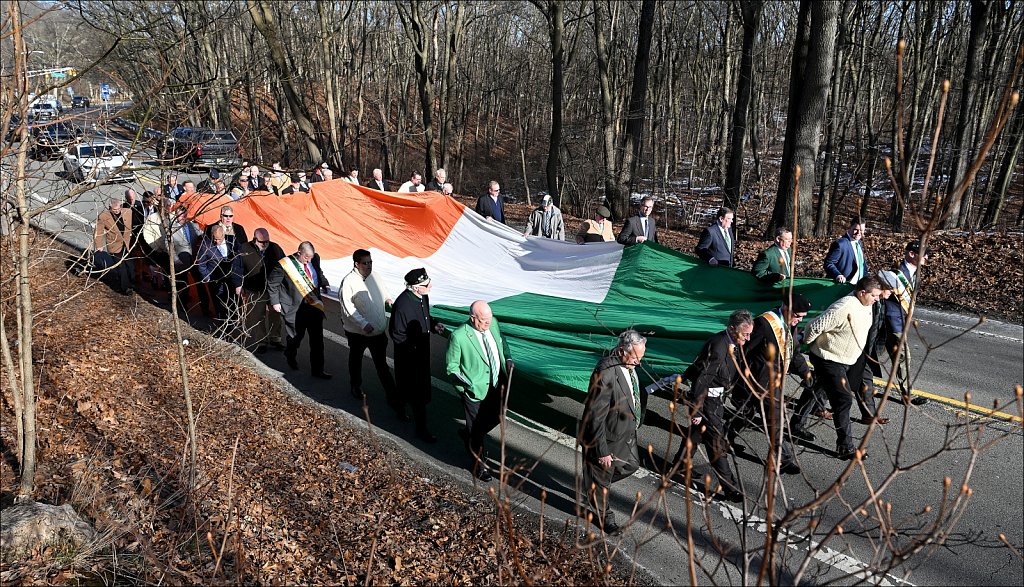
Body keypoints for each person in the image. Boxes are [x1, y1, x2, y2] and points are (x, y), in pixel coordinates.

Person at [725, 295, 813, 475]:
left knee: (746, 415)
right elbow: (744, 350)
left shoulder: (791, 325)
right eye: (797, 315)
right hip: (756, 380)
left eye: (802, 316)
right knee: (775, 419)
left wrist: (805, 371)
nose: (799, 319)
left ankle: (723, 438)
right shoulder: (765, 324)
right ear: (785, 307)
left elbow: (793, 352)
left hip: (774, 382)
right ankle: (782, 459)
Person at [801, 276, 883, 460]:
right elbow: (814, 325)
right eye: (875, 296)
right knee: (843, 399)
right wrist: (806, 344)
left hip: (849, 358)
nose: (877, 299)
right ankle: (845, 446)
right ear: (862, 293)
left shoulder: (868, 305)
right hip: (828, 357)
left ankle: (796, 425)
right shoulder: (844, 306)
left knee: (817, 388)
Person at [676, 310, 751, 503]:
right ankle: (731, 488)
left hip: (715, 399)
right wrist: (697, 409)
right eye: (745, 334)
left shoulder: (731, 343)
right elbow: (702, 379)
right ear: (732, 329)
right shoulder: (718, 347)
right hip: (707, 401)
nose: (748, 338)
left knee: (695, 435)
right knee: (717, 445)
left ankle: (679, 467)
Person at [578, 329, 646, 536]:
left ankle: (594, 487)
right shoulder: (606, 373)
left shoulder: (629, 364)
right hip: (605, 439)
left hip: (625, 434)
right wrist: (601, 451)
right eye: (635, 358)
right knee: (601, 481)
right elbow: (595, 415)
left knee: (631, 465)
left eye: (640, 358)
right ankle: (604, 517)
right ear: (620, 351)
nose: (638, 363)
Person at [446, 300, 513, 482]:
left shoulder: (493, 323)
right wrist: (467, 387)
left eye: (490, 319)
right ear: (472, 317)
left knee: (497, 417)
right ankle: (479, 465)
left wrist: (507, 357)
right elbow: (452, 368)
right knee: (476, 431)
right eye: (483, 320)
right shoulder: (459, 336)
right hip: (475, 392)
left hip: (496, 385)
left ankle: (469, 436)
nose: (488, 324)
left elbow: (502, 341)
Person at [389, 268, 446, 442]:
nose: (430, 286)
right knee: (418, 395)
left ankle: (399, 407)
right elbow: (397, 333)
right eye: (426, 284)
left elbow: (425, 316)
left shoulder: (423, 296)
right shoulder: (402, 304)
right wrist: (412, 352)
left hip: (421, 353)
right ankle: (421, 430)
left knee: (407, 389)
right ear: (415, 287)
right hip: (410, 358)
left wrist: (434, 325)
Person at [339, 249, 398, 403]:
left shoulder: (375, 276)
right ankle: (355, 385)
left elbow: (382, 292)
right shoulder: (349, 281)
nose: (369, 266)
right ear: (356, 264)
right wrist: (363, 323)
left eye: (370, 262)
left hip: (378, 332)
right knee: (356, 359)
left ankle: (392, 394)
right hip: (358, 333)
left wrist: (388, 300)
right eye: (365, 263)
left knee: (381, 364)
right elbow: (347, 307)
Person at [270, 241, 332, 379]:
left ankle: (318, 370)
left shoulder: (314, 258)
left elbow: (318, 272)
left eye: (310, 257)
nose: (309, 260)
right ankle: (290, 353)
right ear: (299, 253)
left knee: (317, 341)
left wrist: (324, 282)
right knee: (296, 337)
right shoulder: (285, 264)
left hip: (314, 306)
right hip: (295, 307)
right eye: (306, 257)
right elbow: (273, 283)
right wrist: (275, 302)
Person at [882, 242, 930, 406]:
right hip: (891, 321)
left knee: (862, 358)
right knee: (903, 356)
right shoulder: (896, 274)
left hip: (901, 321)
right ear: (911, 254)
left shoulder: (915, 273)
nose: (926, 257)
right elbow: (882, 298)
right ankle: (906, 394)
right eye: (923, 253)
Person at [850, 272, 897, 425]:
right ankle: (808, 410)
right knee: (828, 382)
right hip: (852, 347)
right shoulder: (864, 300)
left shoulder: (880, 301)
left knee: (866, 381)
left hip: (866, 350)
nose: (892, 293)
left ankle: (869, 415)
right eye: (889, 289)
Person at [232, 228, 286, 353]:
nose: (265, 244)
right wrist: (238, 284)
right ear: (254, 239)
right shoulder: (244, 249)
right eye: (262, 242)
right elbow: (237, 268)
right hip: (254, 288)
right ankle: (261, 341)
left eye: (267, 241)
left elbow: (284, 264)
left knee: (275, 313)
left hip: (273, 289)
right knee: (258, 315)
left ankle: (275, 338)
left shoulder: (275, 248)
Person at [196, 224, 239, 332]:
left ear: (224, 235)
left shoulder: (232, 241)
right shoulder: (205, 245)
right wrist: (208, 277)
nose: (216, 241)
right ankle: (224, 328)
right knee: (220, 305)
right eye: (214, 238)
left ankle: (233, 322)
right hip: (216, 281)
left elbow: (239, 257)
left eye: (219, 239)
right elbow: (201, 264)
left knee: (233, 302)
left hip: (231, 279)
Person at [93, 196, 134, 294]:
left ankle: (131, 283)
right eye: (114, 209)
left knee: (130, 266)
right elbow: (98, 231)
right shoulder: (103, 216)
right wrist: (99, 245)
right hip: (114, 244)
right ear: (109, 208)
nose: (117, 211)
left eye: (119, 208)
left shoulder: (128, 212)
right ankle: (125, 288)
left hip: (127, 243)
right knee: (121, 267)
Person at [824, 215, 869, 284]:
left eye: (862, 230)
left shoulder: (859, 243)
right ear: (850, 227)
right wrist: (838, 275)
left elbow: (862, 264)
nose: (859, 233)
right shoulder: (840, 244)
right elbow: (829, 263)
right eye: (856, 230)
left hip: (858, 286)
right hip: (841, 286)